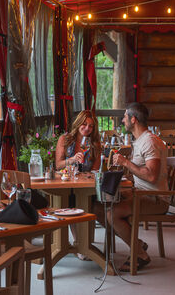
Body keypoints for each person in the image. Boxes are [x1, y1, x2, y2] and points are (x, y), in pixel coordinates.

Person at [93, 102, 169, 272]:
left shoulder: (149, 141)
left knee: (112, 213)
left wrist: (125, 162)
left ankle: (140, 254)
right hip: (140, 194)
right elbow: (140, 172)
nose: (122, 121)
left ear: (133, 119)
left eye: (125, 117)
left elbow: (151, 175)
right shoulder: (140, 140)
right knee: (97, 207)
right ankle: (138, 244)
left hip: (156, 198)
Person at [55, 110, 101, 260]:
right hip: (67, 185)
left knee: (80, 201)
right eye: (84, 124)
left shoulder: (94, 145)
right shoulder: (65, 139)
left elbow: (95, 170)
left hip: (87, 188)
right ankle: (78, 242)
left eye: (91, 126)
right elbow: (58, 165)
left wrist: (87, 176)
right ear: (78, 123)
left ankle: (82, 244)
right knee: (69, 201)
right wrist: (72, 159)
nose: (87, 128)